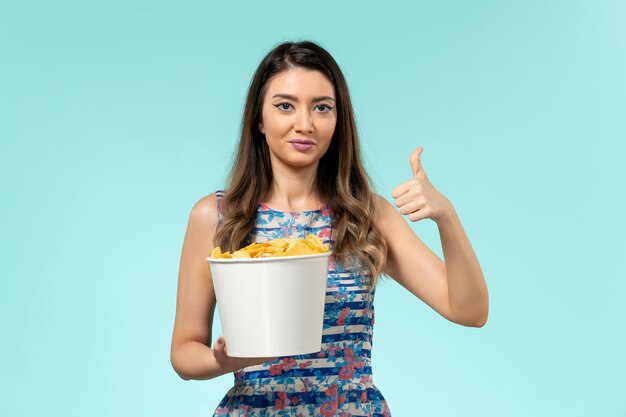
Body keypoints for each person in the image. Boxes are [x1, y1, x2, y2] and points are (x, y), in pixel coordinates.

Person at [170, 40, 489, 416]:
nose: (304, 124)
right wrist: (227, 360)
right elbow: (184, 351)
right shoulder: (217, 216)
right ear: (259, 118)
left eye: (322, 108)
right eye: (285, 106)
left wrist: (446, 216)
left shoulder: (368, 216)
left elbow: (469, 310)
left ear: (338, 121)